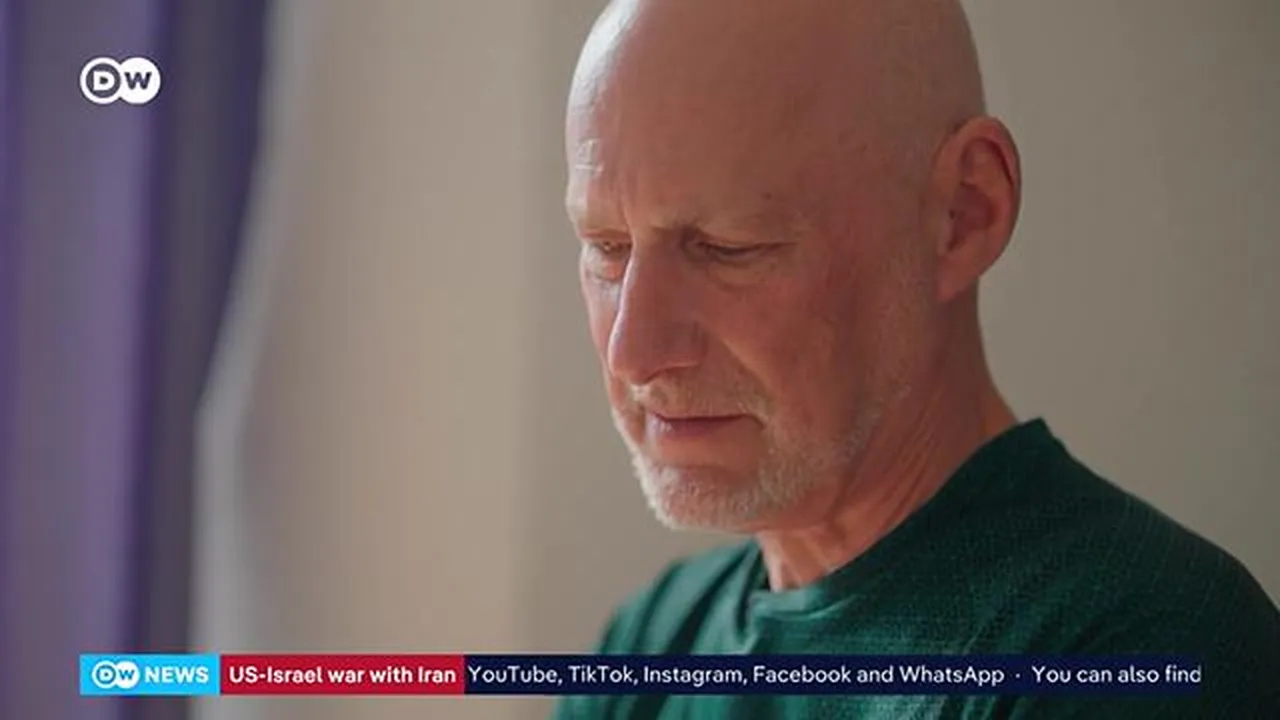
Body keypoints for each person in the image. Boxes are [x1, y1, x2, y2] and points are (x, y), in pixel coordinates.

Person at [553, 0, 1280, 717]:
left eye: (728, 247)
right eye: (607, 248)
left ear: (963, 214)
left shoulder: (1137, 646)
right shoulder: (649, 647)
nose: (633, 352)